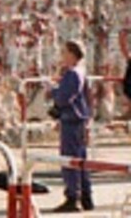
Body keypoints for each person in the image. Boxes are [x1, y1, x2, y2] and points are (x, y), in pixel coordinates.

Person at [49, 40, 94, 213]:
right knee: (81, 159)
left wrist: (53, 89)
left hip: (72, 120)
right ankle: (85, 196)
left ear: (72, 54)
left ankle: (72, 197)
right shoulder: (80, 72)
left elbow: (63, 97)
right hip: (79, 120)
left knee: (70, 159)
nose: (62, 56)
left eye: (65, 52)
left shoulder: (73, 74)